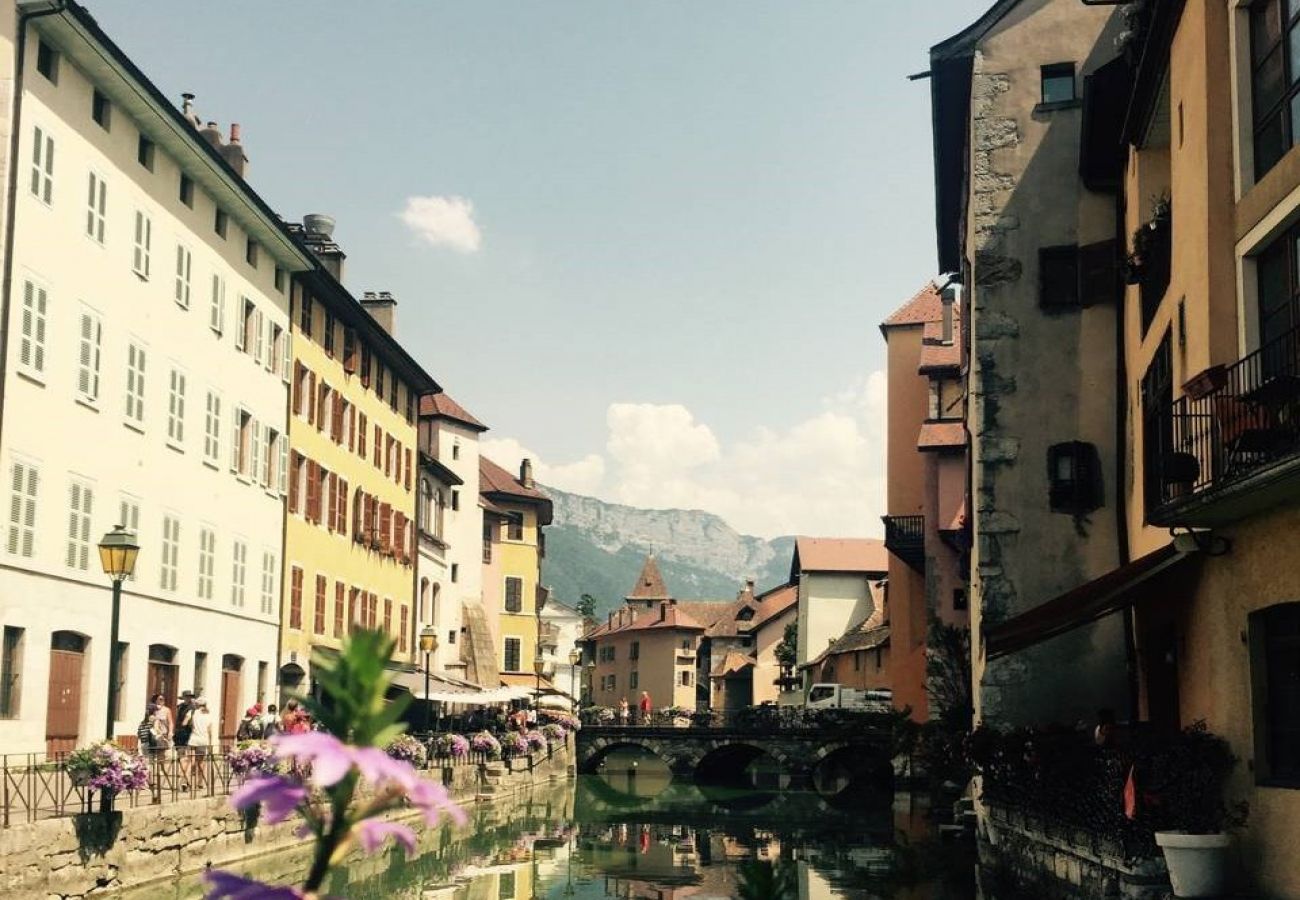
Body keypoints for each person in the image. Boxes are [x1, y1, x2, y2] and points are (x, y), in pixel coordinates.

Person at [188, 698, 214, 790]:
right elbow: (210, 731)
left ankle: (187, 781)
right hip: (203, 740)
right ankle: (200, 782)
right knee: (201, 762)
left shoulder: (193, 713)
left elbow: (190, 724)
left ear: (197, 705)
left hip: (193, 739)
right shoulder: (209, 715)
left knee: (191, 761)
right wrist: (210, 743)